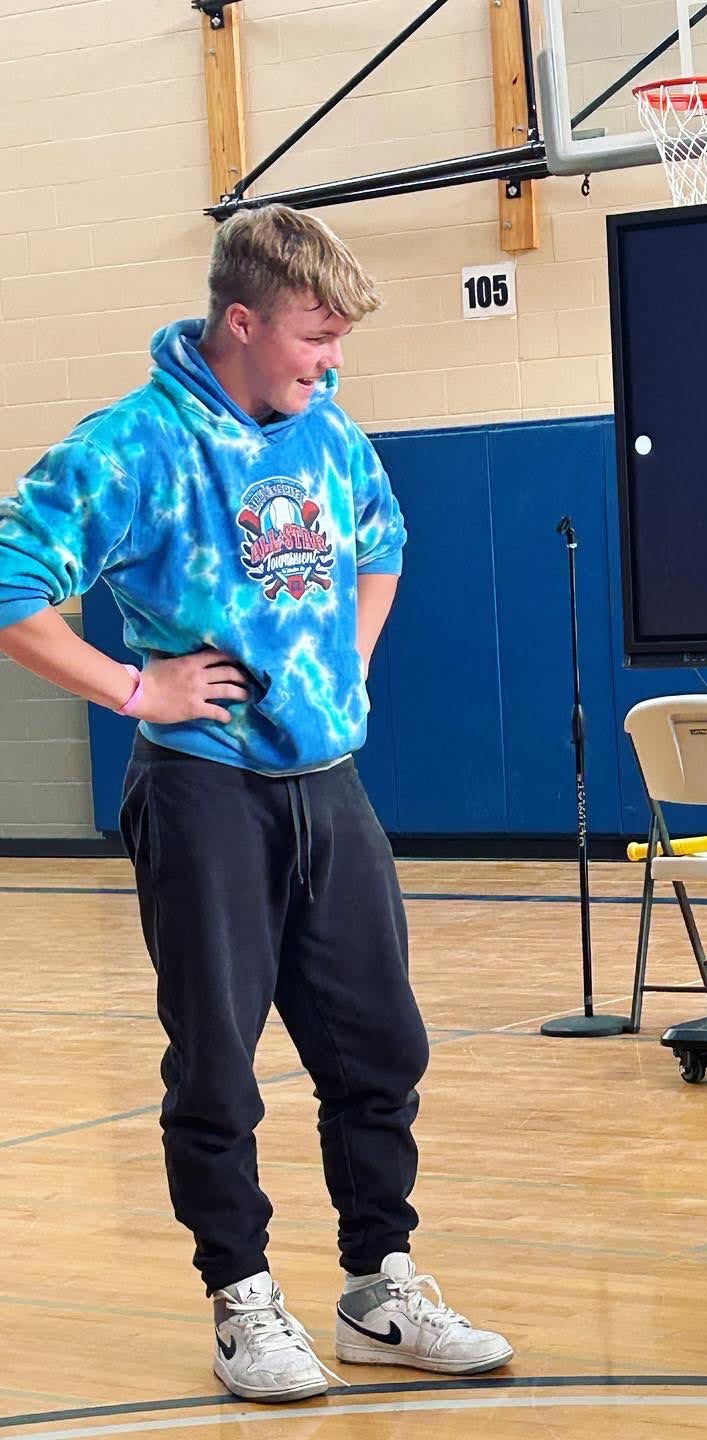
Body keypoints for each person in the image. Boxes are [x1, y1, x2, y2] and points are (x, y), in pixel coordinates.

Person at [0, 205, 512, 1403]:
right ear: (242, 320)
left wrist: (355, 660)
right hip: (203, 793)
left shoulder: (326, 431)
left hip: (326, 785)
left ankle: (381, 1287)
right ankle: (242, 1302)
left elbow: (382, 540)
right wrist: (137, 687)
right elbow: (13, 582)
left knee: (381, 1047)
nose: (331, 362)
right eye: (313, 337)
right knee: (219, 1067)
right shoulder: (132, 446)